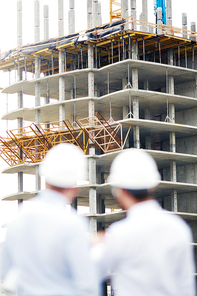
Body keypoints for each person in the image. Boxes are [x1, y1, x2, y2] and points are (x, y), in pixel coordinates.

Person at [94, 149, 196, 296]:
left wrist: (96, 245)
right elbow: (186, 286)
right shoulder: (178, 228)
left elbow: (92, 272)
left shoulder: (119, 233)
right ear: (152, 186)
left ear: (119, 191)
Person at [1, 143, 98, 296]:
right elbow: (86, 285)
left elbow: (5, 271)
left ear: (45, 178)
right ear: (74, 187)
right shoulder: (73, 224)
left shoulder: (19, 218)